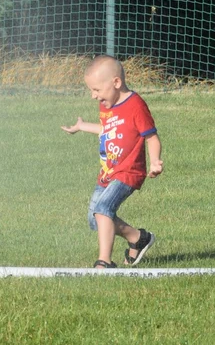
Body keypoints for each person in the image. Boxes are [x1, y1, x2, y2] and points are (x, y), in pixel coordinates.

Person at [62, 55, 163, 268]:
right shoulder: (107, 105)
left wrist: (155, 161)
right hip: (108, 172)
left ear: (116, 83)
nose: (93, 96)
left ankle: (104, 262)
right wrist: (82, 126)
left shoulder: (136, 105)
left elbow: (151, 137)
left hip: (128, 172)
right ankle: (138, 237)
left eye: (96, 90)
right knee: (95, 219)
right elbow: (108, 130)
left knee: (103, 208)